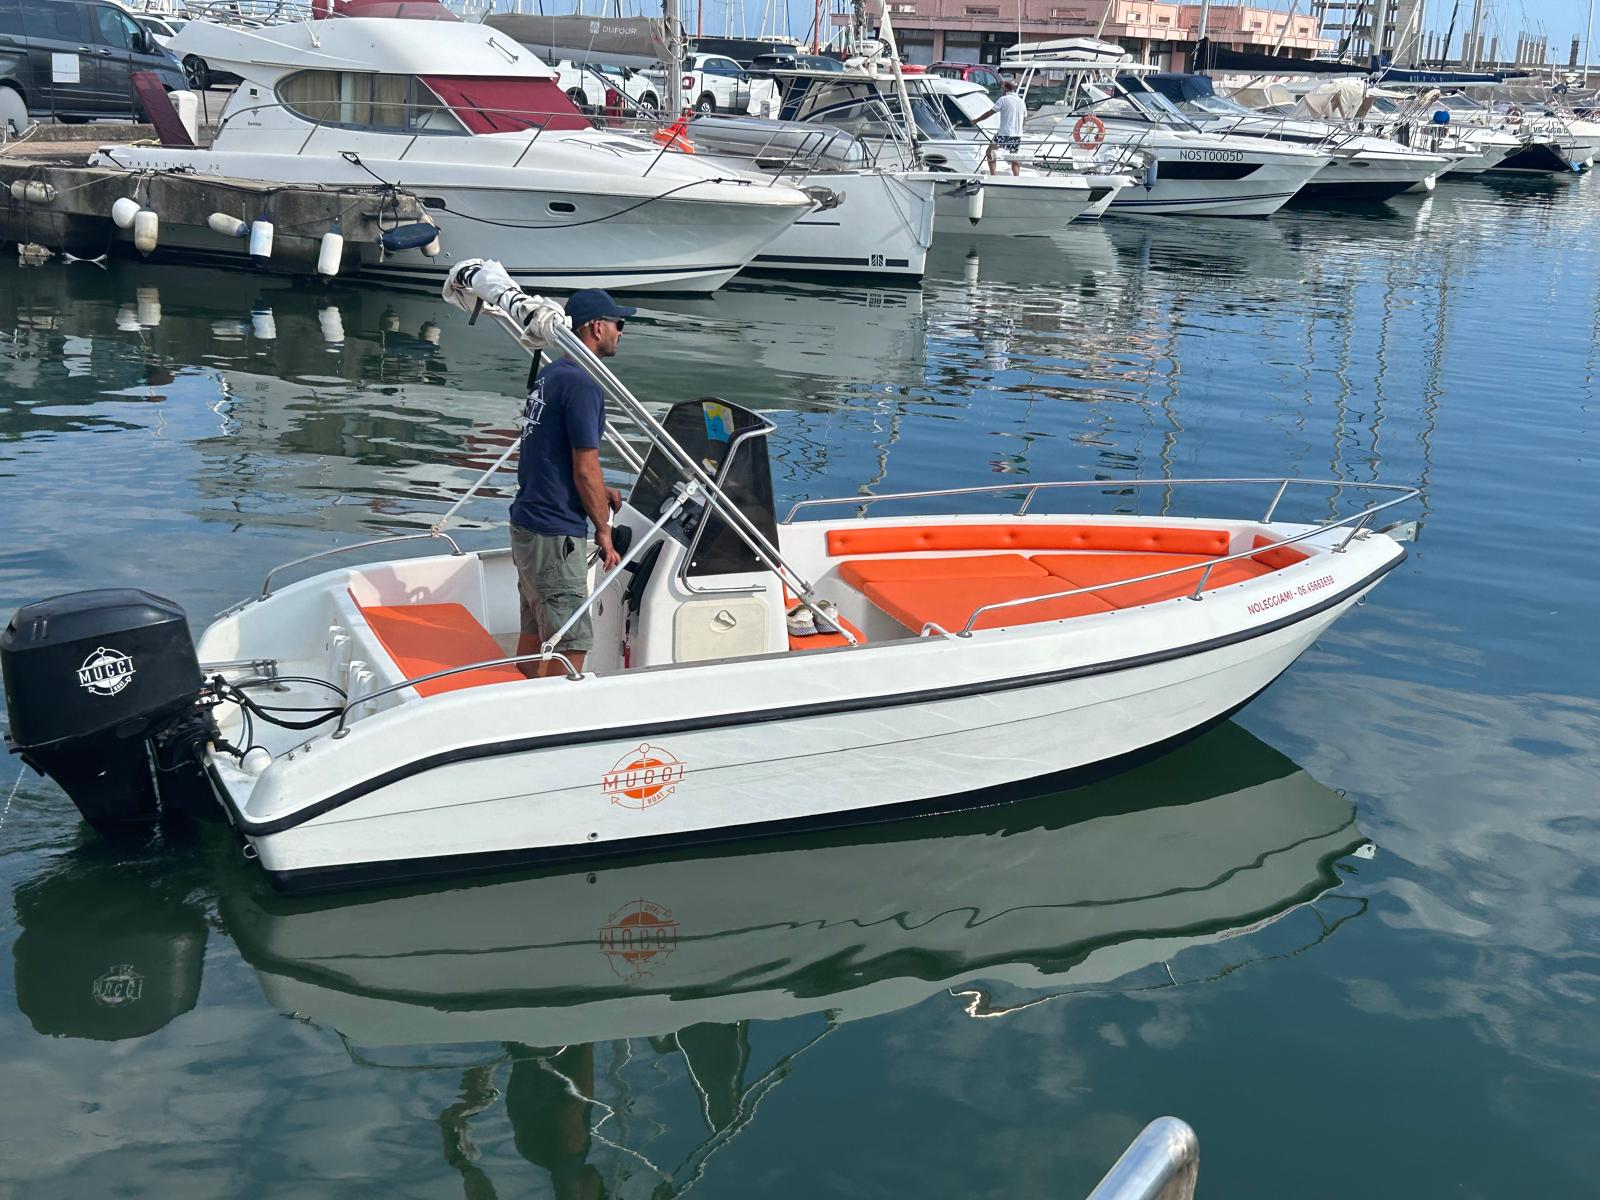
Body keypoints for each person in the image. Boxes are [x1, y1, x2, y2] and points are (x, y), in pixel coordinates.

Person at [510, 289, 635, 677]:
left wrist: (601, 492)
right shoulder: (584, 386)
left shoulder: (551, 374)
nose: (621, 332)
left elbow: (552, 453)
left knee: (535, 624)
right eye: (619, 324)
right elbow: (585, 467)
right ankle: (551, 720)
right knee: (571, 639)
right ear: (597, 327)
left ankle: (518, 695)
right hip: (554, 532)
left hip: (527, 522)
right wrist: (602, 530)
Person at [988, 78, 1027, 177]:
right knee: (1014, 156)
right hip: (1017, 135)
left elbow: (990, 112)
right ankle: (1016, 178)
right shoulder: (1021, 101)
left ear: (1005, 88)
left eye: (1002, 87)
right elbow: (1024, 119)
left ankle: (993, 176)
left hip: (1004, 134)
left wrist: (976, 120)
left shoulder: (1003, 99)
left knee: (989, 152)